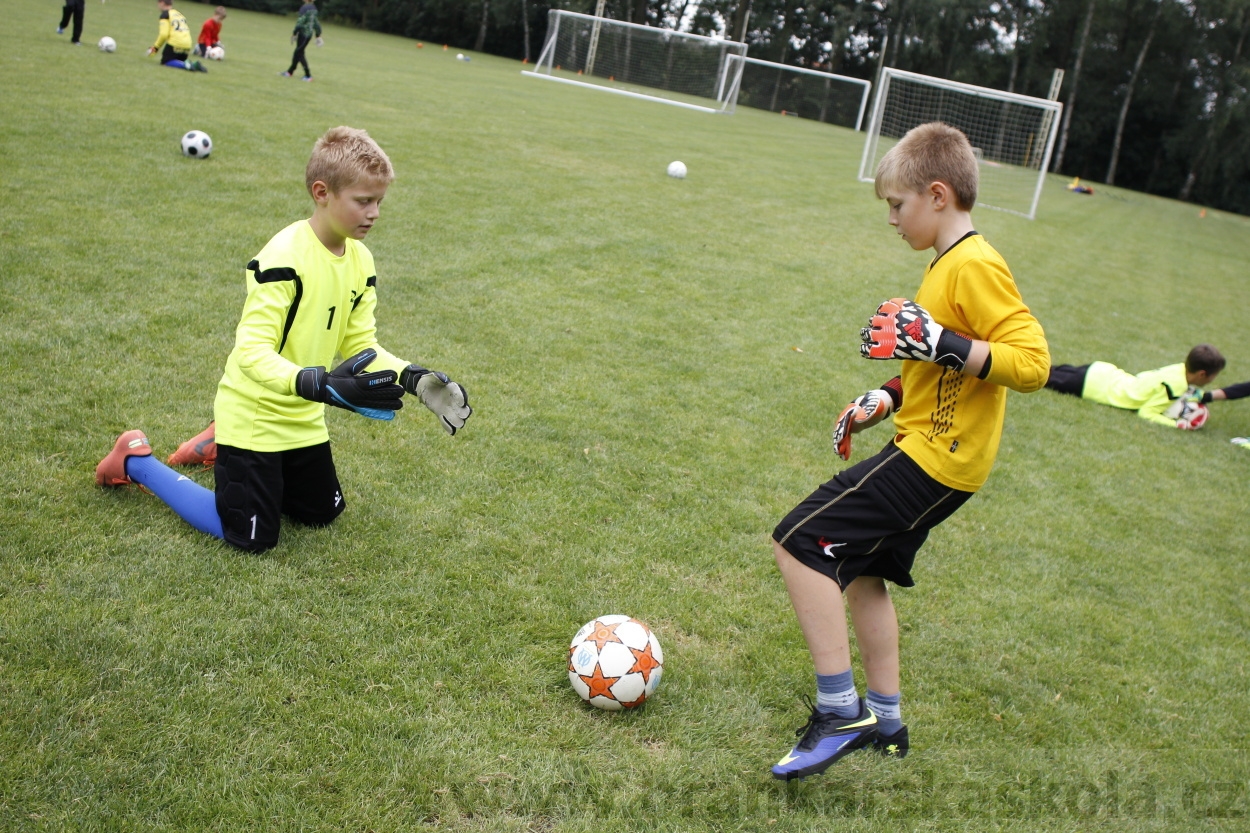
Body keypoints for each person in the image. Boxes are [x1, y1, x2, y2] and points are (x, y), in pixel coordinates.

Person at [768, 122, 1050, 781]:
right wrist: (888, 396)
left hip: (935, 457)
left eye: (897, 205)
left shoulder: (975, 263)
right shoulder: (948, 265)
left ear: (938, 194)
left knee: (799, 541)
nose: (892, 219)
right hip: (937, 452)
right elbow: (942, 364)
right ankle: (886, 721)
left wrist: (941, 342)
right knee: (864, 575)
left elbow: (1032, 363)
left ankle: (840, 711)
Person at [95, 126, 473, 552]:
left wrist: (413, 379)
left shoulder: (360, 259)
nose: (374, 213)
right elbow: (251, 353)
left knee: (321, 514)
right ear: (322, 192)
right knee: (251, 538)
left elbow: (361, 345)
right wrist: (320, 383)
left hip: (303, 419)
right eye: (363, 201)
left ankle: (215, 443)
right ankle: (136, 460)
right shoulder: (283, 258)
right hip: (254, 414)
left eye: (379, 201)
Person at [1045, 345, 1226, 429]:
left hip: (1102, 371)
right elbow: (1147, 413)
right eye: (1213, 376)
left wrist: (1198, 396)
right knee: (1040, 378)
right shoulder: (1176, 387)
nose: (1212, 380)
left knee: (1048, 369)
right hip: (1093, 386)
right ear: (1202, 374)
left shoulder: (1179, 369)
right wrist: (1178, 424)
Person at [147, 0, 207, 72]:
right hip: (187, 45)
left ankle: (185, 65)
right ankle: (194, 64)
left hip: (176, 43)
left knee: (165, 61)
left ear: (162, 2)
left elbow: (163, 34)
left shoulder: (165, 15)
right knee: (178, 61)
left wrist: (155, 47)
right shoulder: (179, 14)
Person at [282, 0, 322, 82]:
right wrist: (318, 34)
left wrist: (294, 32)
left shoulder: (304, 8)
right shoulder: (314, 8)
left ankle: (308, 75)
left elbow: (300, 22)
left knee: (299, 53)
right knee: (298, 52)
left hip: (303, 34)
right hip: (309, 34)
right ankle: (290, 72)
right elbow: (316, 22)